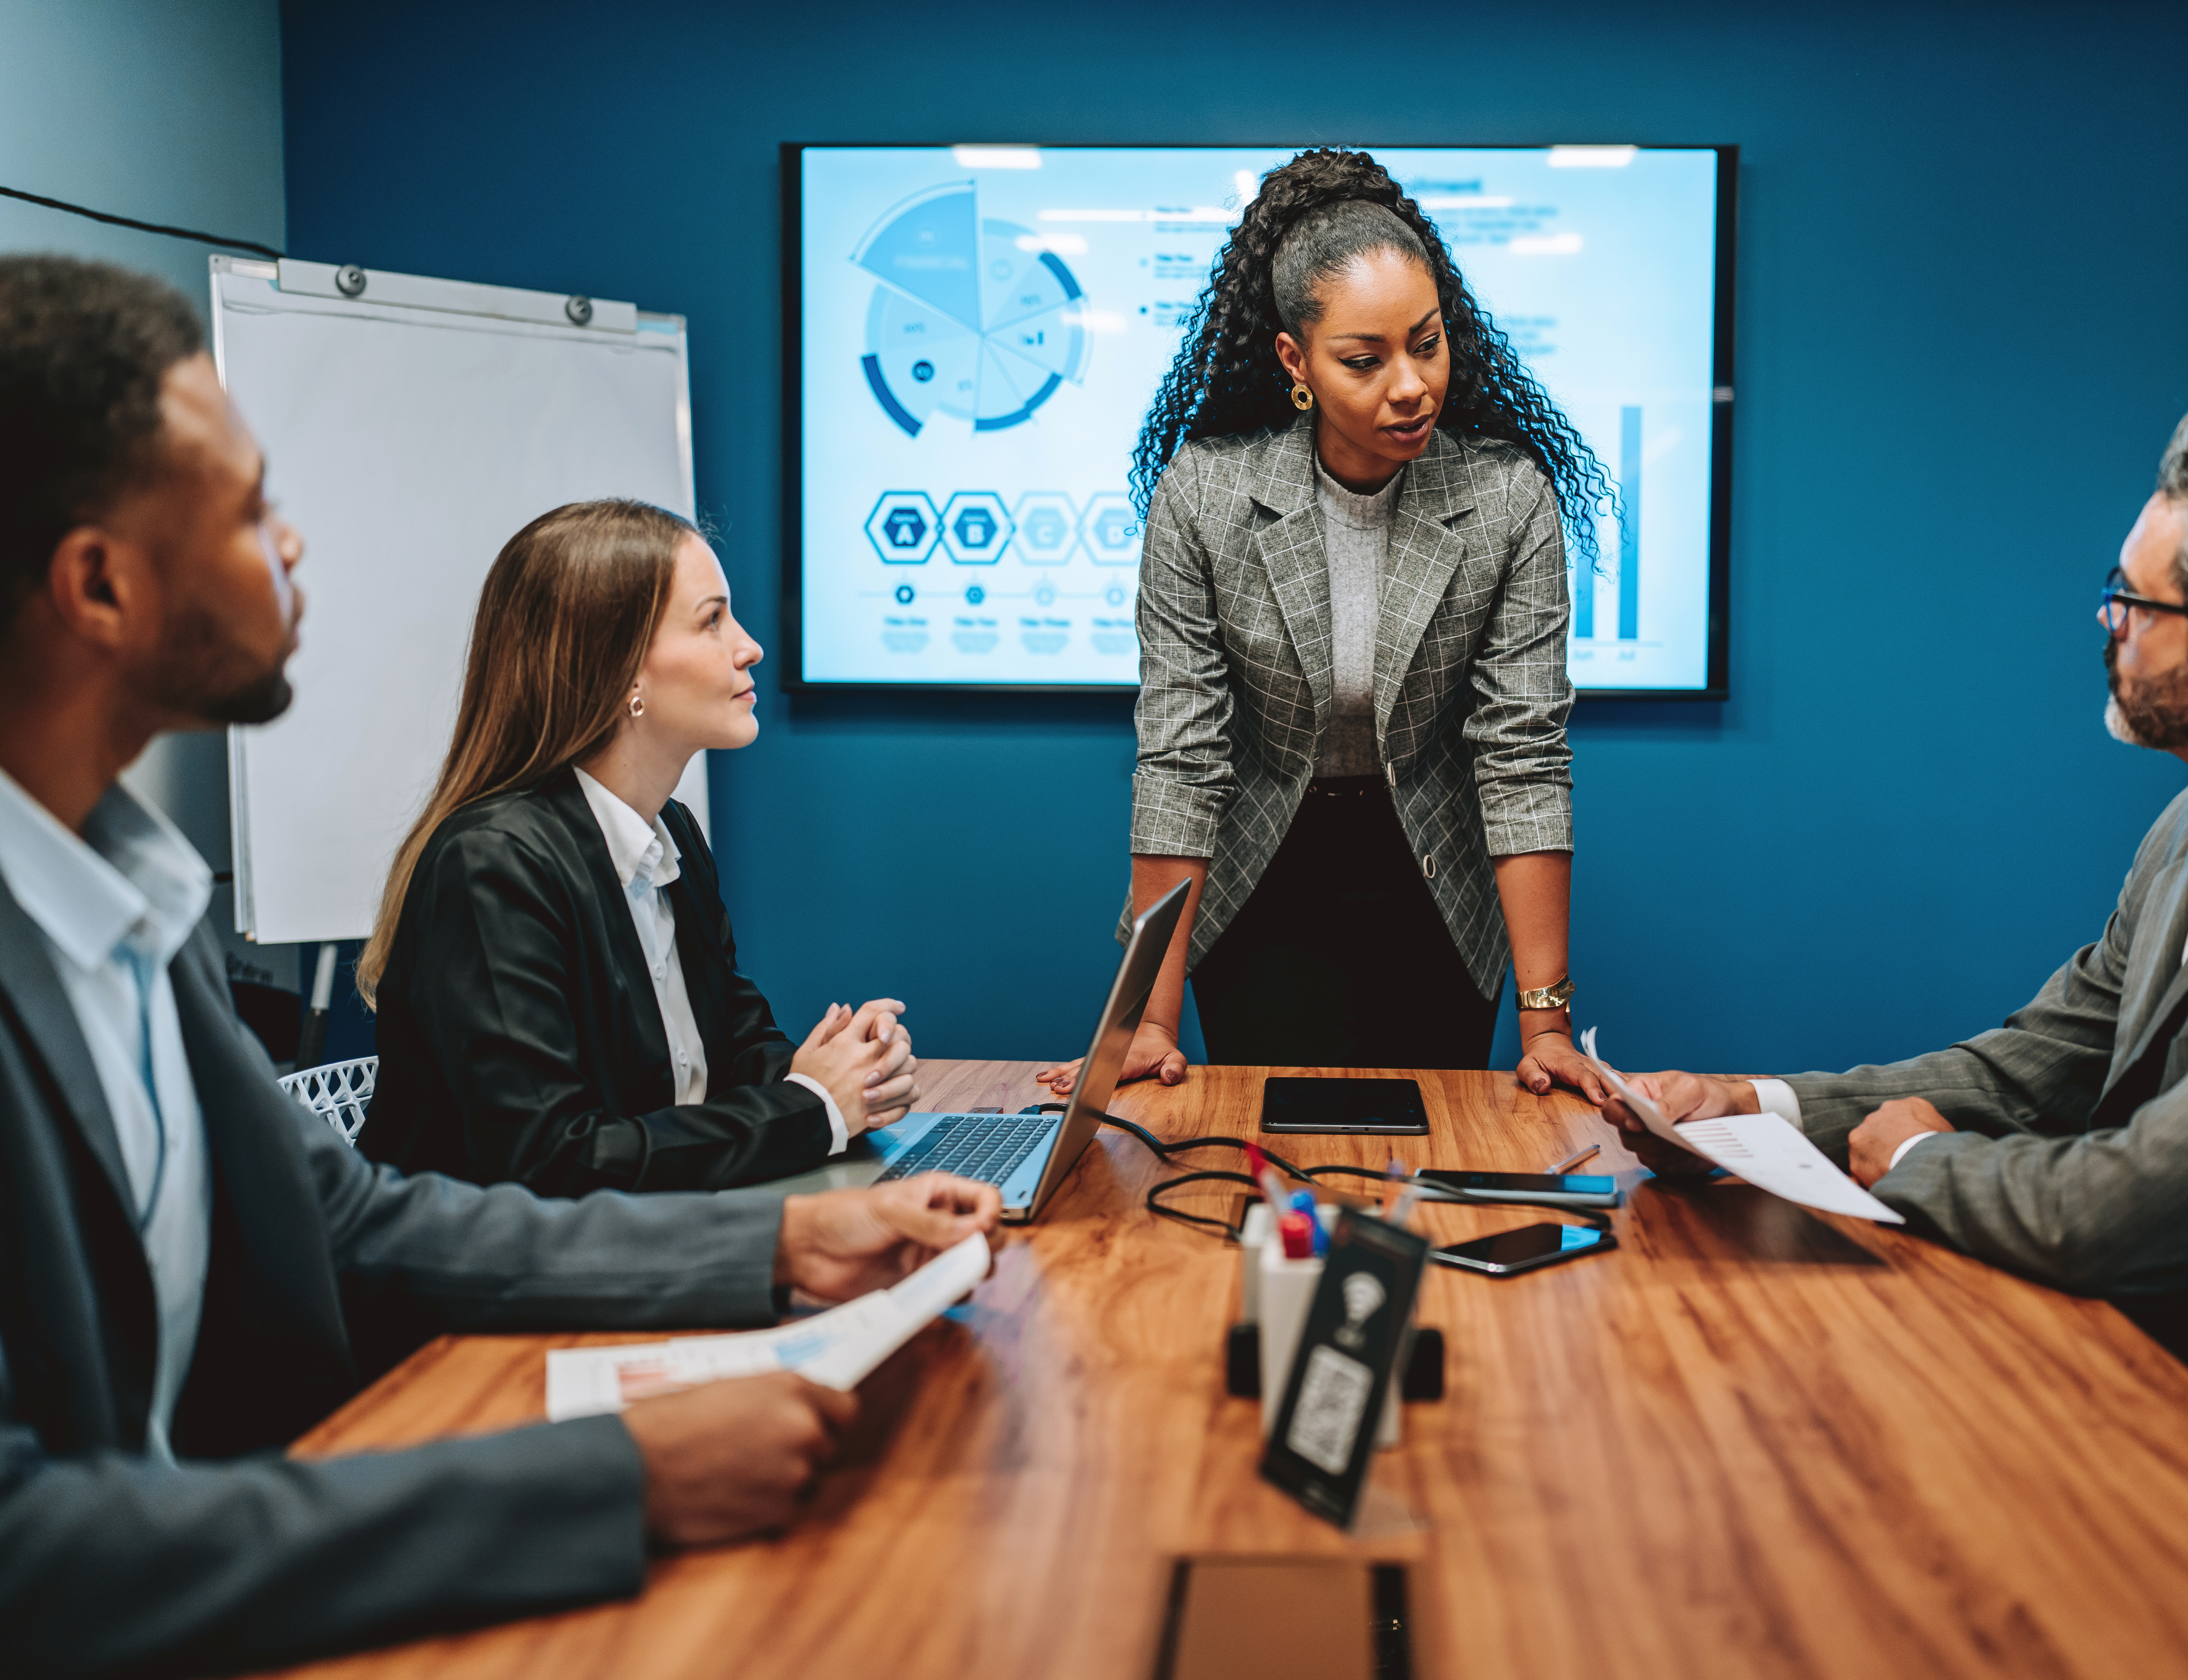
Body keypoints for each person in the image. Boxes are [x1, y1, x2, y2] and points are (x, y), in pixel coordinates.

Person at [0, 253, 1003, 1678]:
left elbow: (357, 1222)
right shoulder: (473, 862)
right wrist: (613, 1479)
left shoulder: (132, 905)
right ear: (98, 585)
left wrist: (780, 1239)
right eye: (245, 510)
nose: (290, 548)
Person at [1602, 396, 2188, 1583]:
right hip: (2173, 1415)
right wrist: (1758, 1109)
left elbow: (2131, 1209)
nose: (2109, 625)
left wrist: (1921, 1161)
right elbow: (2040, 1059)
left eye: (2137, 603)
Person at [1045, 148, 1615, 1102]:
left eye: (1427, 342)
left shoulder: (1508, 498)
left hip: (1439, 878)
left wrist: (1546, 1020)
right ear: (1295, 361)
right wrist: (1148, 1018)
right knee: (1273, 1160)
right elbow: (1183, 758)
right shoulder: (1207, 495)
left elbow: (1520, 754)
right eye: (1365, 358)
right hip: (1264, 872)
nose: (1411, 385)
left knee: (1429, 1166)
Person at [356, 500, 917, 1195]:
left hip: (649, 1247)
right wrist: (814, 1107)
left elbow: (734, 1049)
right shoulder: (491, 865)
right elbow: (552, 1161)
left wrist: (841, 1074)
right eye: (712, 620)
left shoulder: (669, 831)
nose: (749, 647)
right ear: (623, 672)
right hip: (496, 1291)